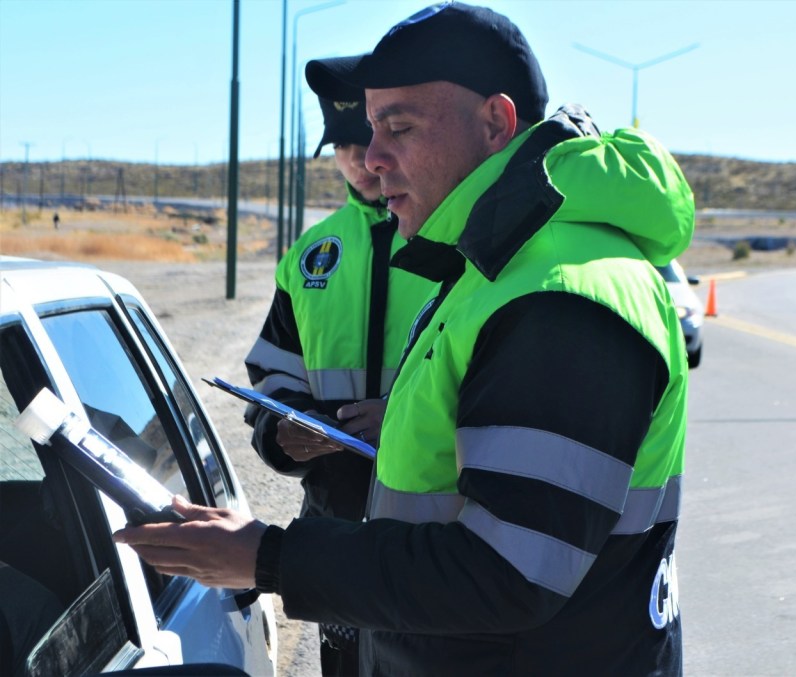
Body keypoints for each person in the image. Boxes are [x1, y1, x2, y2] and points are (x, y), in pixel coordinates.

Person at [115, 3, 695, 675]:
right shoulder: (495, 265)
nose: (375, 158)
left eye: (398, 127)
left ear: (495, 122)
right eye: (366, 130)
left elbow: (506, 572)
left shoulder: (559, 293)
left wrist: (267, 556)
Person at [243, 73, 436, 676]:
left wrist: (401, 418)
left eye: (370, 136)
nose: (358, 158)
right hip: (336, 522)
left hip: (431, 534)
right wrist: (283, 434)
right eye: (342, 143)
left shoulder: (460, 243)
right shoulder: (308, 257)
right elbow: (272, 378)